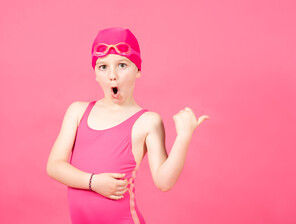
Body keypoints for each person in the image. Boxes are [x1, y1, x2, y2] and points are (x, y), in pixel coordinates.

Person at [46, 27, 209, 224]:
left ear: (138, 70)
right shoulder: (77, 112)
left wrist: (184, 136)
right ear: (95, 73)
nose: (112, 75)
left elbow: (164, 182)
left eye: (122, 65)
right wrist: (93, 182)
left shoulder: (148, 121)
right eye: (103, 67)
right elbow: (54, 166)